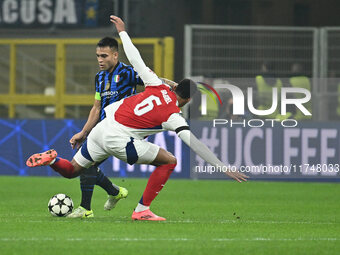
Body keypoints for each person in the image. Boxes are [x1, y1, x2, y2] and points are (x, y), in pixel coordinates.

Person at [26, 15, 248, 221]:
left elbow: (135, 57)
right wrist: (221, 166)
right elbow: (193, 142)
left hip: (102, 129)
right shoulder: (174, 114)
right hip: (118, 139)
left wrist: (122, 32)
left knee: (72, 170)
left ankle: (54, 160)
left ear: (175, 86)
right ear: (188, 100)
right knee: (170, 161)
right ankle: (142, 210)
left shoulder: (154, 83)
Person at [67, 36, 144, 218]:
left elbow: (152, 81)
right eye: (98, 56)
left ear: (115, 55)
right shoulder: (99, 77)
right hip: (101, 130)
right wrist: (84, 132)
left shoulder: (127, 72)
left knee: (85, 166)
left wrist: (173, 87)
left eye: (104, 56)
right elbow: (97, 107)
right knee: (84, 166)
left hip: (120, 130)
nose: (100, 60)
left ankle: (86, 209)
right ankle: (114, 192)